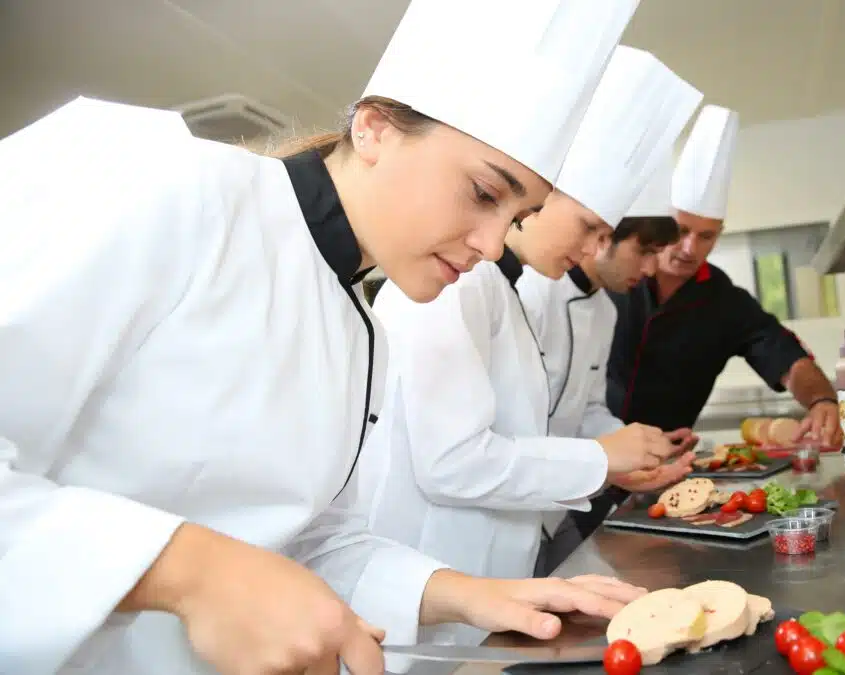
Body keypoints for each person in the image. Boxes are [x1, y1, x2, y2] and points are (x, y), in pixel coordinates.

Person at [0, 1, 648, 673]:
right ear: (373, 129)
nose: (491, 244)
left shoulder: (360, 329)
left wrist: (482, 596)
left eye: (522, 214)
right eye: (484, 192)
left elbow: (312, 542)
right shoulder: (160, 179)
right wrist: (188, 569)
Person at [357, 45, 701, 664]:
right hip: (433, 580)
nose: (596, 249)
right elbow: (453, 463)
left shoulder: (499, 289)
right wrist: (600, 461)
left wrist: (620, 453)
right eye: (590, 226)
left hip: (496, 581)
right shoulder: (451, 284)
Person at [606, 105, 844, 447]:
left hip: (665, 463)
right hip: (590, 454)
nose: (689, 248)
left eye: (706, 236)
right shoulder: (615, 277)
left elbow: (788, 358)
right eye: (681, 230)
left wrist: (822, 399)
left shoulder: (725, 302)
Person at [517, 159, 698, 576]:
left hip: (553, 510)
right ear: (603, 238)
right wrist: (606, 459)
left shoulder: (603, 310)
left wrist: (641, 448)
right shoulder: (532, 290)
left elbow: (588, 410)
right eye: (644, 252)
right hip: (519, 501)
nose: (650, 270)